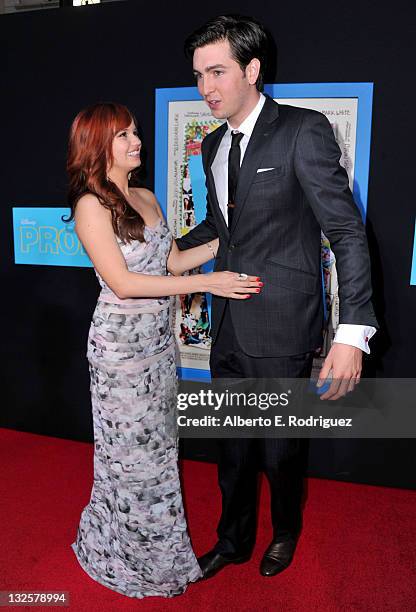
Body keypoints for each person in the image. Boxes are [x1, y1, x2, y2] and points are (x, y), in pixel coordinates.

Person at [177, 15, 378, 580]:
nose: (206, 88)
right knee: (232, 448)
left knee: (280, 449)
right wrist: (159, 254)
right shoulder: (212, 145)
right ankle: (233, 540)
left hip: (285, 323)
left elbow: (345, 232)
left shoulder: (302, 130)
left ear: (253, 69)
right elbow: (221, 229)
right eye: (198, 76)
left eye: (217, 72)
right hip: (228, 328)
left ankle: (285, 531)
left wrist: (351, 332)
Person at [66, 102, 262, 599]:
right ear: (97, 145)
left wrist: (228, 242)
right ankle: (130, 557)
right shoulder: (91, 204)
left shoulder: (147, 197)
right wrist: (212, 284)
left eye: (135, 132)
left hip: (157, 348)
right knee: (129, 459)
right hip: (119, 353)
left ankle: (153, 551)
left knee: (158, 454)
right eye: (123, 135)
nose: (136, 141)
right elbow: (125, 283)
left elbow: (172, 261)